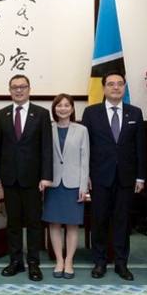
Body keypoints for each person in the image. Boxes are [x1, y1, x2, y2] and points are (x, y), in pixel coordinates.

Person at [81, 71, 145, 281]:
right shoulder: (91, 113)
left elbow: (139, 148)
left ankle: (121, 263)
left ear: (124, 88)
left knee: (122, 221)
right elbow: (85, 147)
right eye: (111, 84)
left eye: (119, 84)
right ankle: (99, 262)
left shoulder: (135, 113)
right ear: (104, 88)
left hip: (127, 178)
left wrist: (140, 177)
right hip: (99, 177)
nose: (115, 87)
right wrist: (86, 175)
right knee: (99, 220)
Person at [0, 74, 53, 281]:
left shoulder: (41, 114)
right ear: (10, 91)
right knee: (13, 223)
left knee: (34, 223)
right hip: (9, 178)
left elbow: (46, 148)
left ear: (29, 89)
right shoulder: (3, 114)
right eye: (14, 87)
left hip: (34, 179)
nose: (19, 90)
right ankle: (15, 261)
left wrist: (46, 176)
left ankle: (33, 263)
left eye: (22, 87)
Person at [42, 94, 89, 279]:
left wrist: (83, 186)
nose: (62, 108)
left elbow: (85, 159)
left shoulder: (82, 130)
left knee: (72, 225)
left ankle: (69, 261)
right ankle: (59, 260)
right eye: (59, 105)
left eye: (66, 105)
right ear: (54, 109)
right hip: (52, 182)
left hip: (73, 183)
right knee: (54, 223)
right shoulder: (47, 128)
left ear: (72, 108)